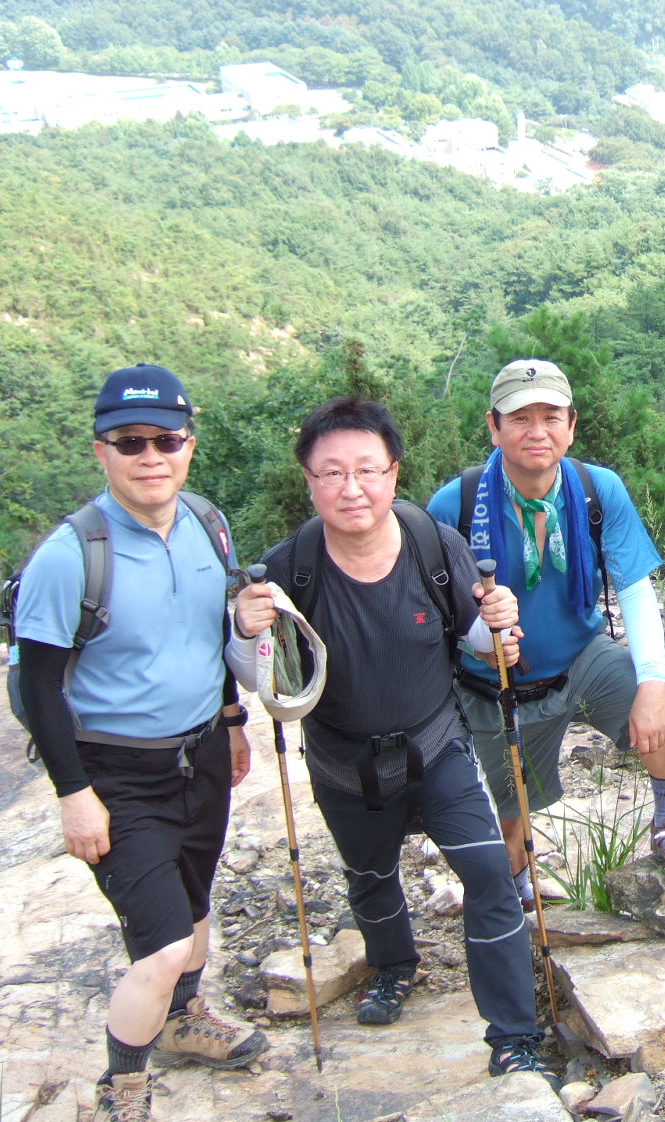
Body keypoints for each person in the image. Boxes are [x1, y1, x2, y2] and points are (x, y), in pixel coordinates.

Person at [227, 396, 556, 1082]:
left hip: (436, 745)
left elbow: (474, 637)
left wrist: (499, 625)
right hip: (342, 762)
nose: (352, 488)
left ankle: (514, 1036)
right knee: (371, 877)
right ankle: (393, 965)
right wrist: (245, 631)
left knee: (489, 875)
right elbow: (262, 679)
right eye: (332, 473)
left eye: (368, 470)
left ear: (393, 473)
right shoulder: (289, 570)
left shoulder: (433, 545)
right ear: (309, 481)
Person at [14, 363, 265, 1122]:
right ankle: (123, 1078)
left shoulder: (207, 524)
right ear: (102, 451)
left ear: (189, 444)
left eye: (166, 439)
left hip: (201, 752)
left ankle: (185, 1019)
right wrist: (72, 793)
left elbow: (209, 637)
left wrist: (232, 718)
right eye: (130, 442)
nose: (151, 455)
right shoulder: (71, 555)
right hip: (116, 770)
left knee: (195, 904)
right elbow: (39, 686)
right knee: (160, 944)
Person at [429, 360, 665, 901]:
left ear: (572, 424)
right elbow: (438, 611)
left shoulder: (594, 489)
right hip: (492, 685)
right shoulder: (456, 505)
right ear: (493, 426)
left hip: (581, 658)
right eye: (520, 418)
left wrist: (651, 683)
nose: (537, 431)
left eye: (551, 416)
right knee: (507, 833)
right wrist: (479, 643)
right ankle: (515, 890)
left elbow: (634, 589)